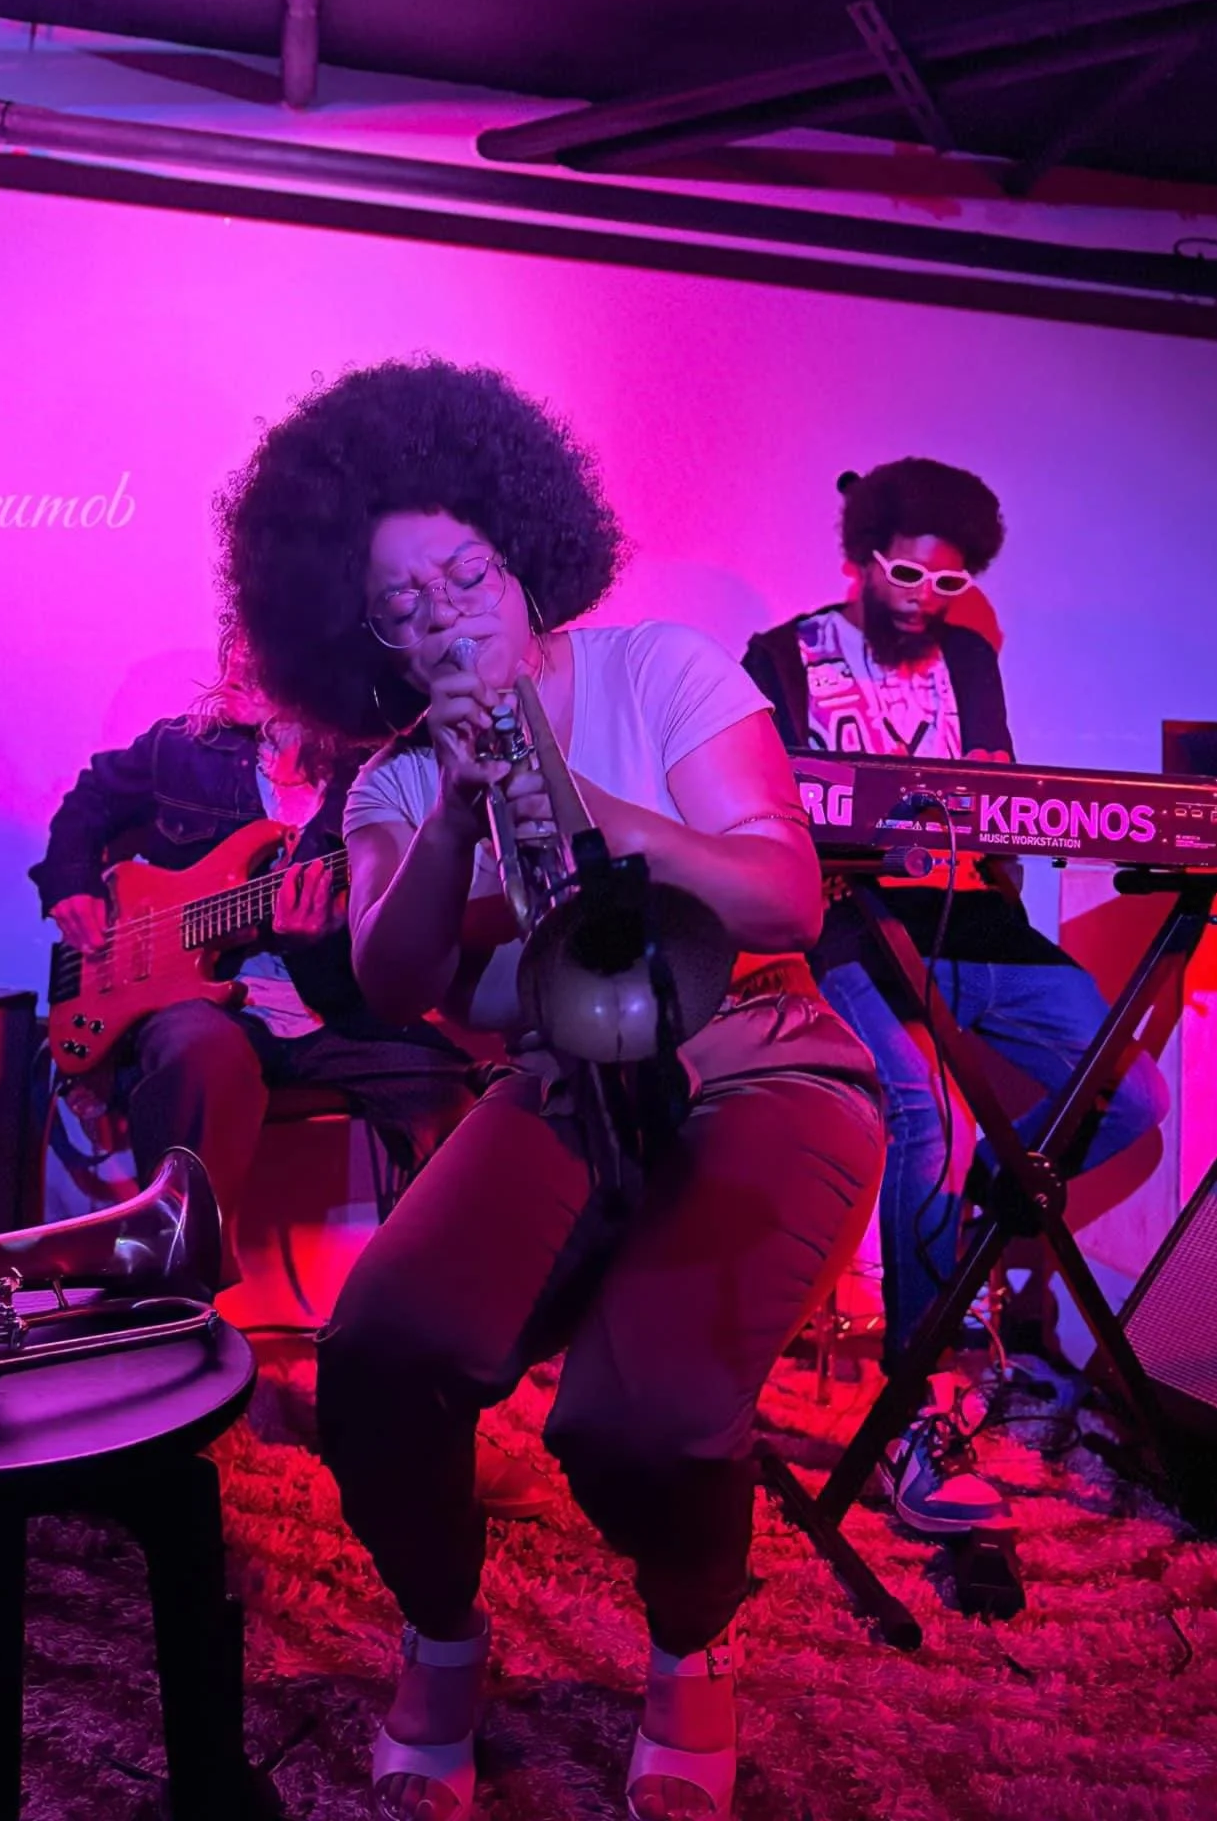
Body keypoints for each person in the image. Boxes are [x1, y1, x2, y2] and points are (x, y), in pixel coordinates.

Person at [220, 359, 885, 1821]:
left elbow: (780, 893)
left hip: (764, 1055)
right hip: (562, 1072)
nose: (445, 614)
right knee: (382, 1351)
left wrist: (583, 807)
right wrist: (460, 808)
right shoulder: (395, 781)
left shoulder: (661, 670)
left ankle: (690, 1651)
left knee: (636, 1422)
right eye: (403, 607)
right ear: (368, 641)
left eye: (463, 574)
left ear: (523, 560)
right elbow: (397, 985)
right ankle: (444, 1640)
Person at [743, 457, 1168, 1540]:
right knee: (922, 1115)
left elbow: (995, 781)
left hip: (975, 920)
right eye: (904, 574)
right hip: (859, 925)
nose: (924, 599)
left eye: (948, 582)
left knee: (1131, 1094)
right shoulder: (782, 656)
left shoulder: (971, 657)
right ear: (858, 557)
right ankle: (913, 1408)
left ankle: (967, 1228)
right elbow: (770, 807)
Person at [28, 630, 481, 1281]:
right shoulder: (182, 748)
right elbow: (91, 800)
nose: (236, 661)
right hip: (197, 1006)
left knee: (451, 1091)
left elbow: (399, 921)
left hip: (329, 1013)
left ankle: (421, 1295)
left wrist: (325, 936)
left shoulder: (377, 769)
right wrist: (70, 885)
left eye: (260, 649)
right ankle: (181, 1291)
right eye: (233, 644)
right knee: (202, 1053)